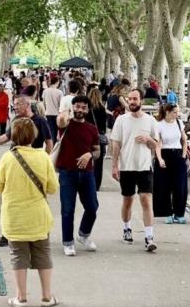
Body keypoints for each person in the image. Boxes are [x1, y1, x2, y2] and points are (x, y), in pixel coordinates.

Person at [0, 118, 59, 307]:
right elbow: (53, 188)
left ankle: (21, 297)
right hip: (38, 217)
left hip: (14, 217)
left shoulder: (7, 158)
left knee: (18, 255)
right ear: (34, 135)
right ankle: (46, 296)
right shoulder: (43, 157)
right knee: (43, 254)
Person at [0, 95, 53, 247]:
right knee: (10, 200)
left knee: (37, 199)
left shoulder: (40, 121)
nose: (14, 107)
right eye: (14, 104)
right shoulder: (16, 120)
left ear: (27, 104)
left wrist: (45, 160)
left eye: (17, 104)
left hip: (34, 164)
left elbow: (49, 143)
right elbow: (6, 137)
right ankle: (6, 233)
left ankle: (40, 231)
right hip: (15, 163)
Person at [110, 88, 160, 252]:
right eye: (129, 99)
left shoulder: (150, 121)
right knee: (128, 201)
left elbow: (157, 145)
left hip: (145, 166)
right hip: (127, 167)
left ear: (142, 101)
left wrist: (148, 139)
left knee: (146, 200)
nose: (132, 102)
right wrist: (115, 165)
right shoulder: (121, 120)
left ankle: (149, 237)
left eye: (135, 99)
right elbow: (116, 143)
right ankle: (127, 228)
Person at [55, 96, 100, 256]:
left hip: (87, 173)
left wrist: (89, 154)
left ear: (88, 110)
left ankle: (84, 234)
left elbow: (97, 151)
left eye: (83, 107)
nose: (80, 110)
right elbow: (60, 120)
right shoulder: (66, 125)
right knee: (67, 209)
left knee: (92, 207)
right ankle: (68, 242)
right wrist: (67, 109)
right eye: (77, 107)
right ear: (73, 107)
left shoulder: (92, 128)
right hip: (67, 172)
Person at [153, 103, 189, 224]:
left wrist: (183, 156)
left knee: (180, 185)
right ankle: (167, 212)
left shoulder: (179, 123)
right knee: (165, 185)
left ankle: (179, 213)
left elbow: (184, 141)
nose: (177, 114)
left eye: (177, 112)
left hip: (178, 154)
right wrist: (160, 159)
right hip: (165, 154)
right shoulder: (159, 125)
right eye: (174, 112)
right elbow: (158, 144)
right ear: (167, 112)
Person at [87, 87, 108, 190]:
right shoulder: (102, 108)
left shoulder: (87, 108)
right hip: (99, 136)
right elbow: (104, 125)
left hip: (88, 136)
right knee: (99, 162)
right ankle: (97, 184)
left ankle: (87, 182)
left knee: (87, 159)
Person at [43, 75, 63, 143]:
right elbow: (61, 105)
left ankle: (51, 147)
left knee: (50, 132)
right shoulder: (59, 92)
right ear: (57, 82)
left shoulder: (45, 91)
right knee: (57, 133)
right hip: (57, 114)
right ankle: (54, 148)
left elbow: (44, 103)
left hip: (48, 113)